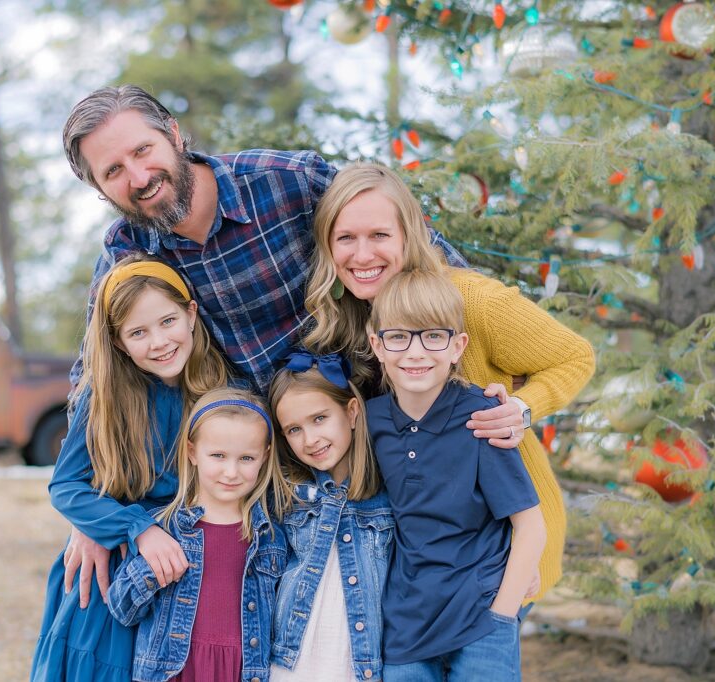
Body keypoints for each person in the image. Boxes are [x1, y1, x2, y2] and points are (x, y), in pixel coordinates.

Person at [60, 85, 469, 605]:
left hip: (370, 433)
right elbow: (92, 379)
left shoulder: (286, 182)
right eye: (112, 171)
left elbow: (434, 264)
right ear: (100, 190)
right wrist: (97, 511)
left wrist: (500, 377)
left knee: (413, 606)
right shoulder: (129, 251)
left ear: (174, 135)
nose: (139, 178)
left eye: (142, 151)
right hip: (262, 476)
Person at [303, 163, 596, 603]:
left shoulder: (472, 302)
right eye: (346, 238)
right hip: (425, 554)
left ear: (408, 235)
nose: (362, 256)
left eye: (379, 236)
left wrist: (520, 408)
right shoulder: (349, 317)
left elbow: (575, 356)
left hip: (501, 539)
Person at [31, 255, 228, 681]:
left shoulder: (221, 391)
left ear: (191, 314)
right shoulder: (104, 397)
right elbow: (66, 485)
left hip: (189, 570)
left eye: (167, 321)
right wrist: (133, 527)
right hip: (113, 571)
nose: (158, 342)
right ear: (119, 342)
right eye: (138, 332)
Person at [366, 269, 547, 681]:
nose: (415, 352)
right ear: (377, 345)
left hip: (481, 620)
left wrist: (502, 613)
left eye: (433, 336)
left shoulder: (480, 418)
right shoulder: (370, 420)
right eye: (398, 337)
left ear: (457, 346)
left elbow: (530, 525)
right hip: (405, 625)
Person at [107, 388, 288, 682]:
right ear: (192, 452)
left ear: (265, 457)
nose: (231, 472)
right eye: (218, 455)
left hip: (244, 670)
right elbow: (121, 608)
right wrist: (152, 570)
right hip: (174, 670)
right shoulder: (163, 529)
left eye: (246, 458)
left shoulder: (271, 536)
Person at [266, 351, 393, 682]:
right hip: (290, 666)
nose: (310, 440)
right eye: (293, 429)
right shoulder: (289, 498)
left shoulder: (388, 497)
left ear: (351, 411)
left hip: (360, 666)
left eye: (319, 418)